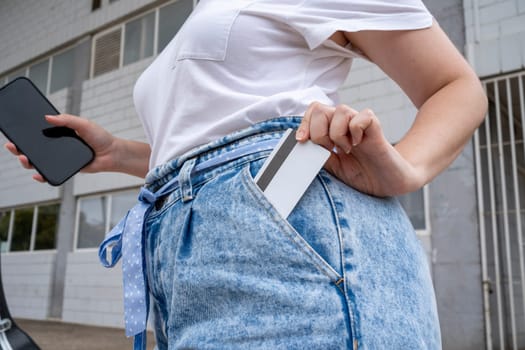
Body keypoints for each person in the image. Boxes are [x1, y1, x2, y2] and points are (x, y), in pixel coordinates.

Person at [5, 0, 487, 349]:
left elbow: (455, 86)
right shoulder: (200, 12)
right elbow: (210, 141)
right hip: (179, 257)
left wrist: (405, 169)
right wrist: (117, 153)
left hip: (286, 238)